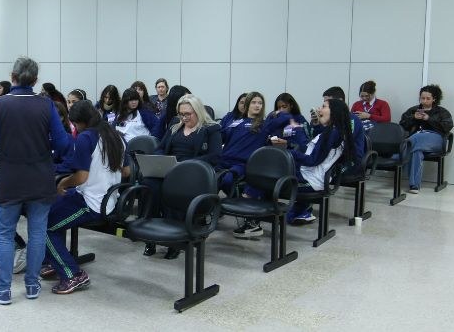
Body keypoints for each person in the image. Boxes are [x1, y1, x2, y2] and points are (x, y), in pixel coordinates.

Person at [0, 56, 71, 305]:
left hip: (10, 177)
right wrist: (44, 147)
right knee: (37, 232)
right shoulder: (47, 104)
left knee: (5, 233)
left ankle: (3, 290)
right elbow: (63, 144)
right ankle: (32, 286)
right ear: (35, 80)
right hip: (40, 177)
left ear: (12, 77)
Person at [41, 100, 129, 294]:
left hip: (92, 203)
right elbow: (127, 171)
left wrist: (63, 183)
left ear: (81, 122)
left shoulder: (85, 138)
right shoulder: (117, 136)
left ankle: (73, 274)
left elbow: (81, 177)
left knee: (43, 227)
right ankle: (55, 259)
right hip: (109, 200)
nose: (75, 128)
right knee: (53, 210)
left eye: (75, 124)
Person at [142, 94, 222, 259]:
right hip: (171, 169)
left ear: (198, 112)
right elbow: (161, 147)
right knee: (149, 184)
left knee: (173, 188)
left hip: (192, 172)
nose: (184, 117)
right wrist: (159, 160)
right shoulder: (174, 126)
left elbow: (214, 156)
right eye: (181, 114)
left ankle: (175, 241)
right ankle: (151, 234)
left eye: (188, 114)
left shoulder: (210, 129)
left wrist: (185, 164)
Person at [218, 92, 291, 238]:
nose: (257, 105)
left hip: (243, 164)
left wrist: (276, 114)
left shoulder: (265, 125)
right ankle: (209, 212)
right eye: (254, 102)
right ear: (247, 105)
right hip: (223, 160)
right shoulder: (236, 121)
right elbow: (221, 136)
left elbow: (288, 120)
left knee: (227, 180)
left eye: (260, 103)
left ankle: (247, 215)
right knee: (209, 180)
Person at [284, 99, 355, 224]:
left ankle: (258, 219)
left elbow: (312, 160)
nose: (319, 109)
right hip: (311, 175)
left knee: (268, 179)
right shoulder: (333, 131)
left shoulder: (333, 133)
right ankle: (301, 211)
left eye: (324, 106)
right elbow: (317, 148)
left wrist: (288, 153)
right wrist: (316, 125)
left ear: (334, 112)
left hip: (311, 180)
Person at [399, 84, 453, 194]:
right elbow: (402, 125)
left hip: (436, 139)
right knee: (416, 152)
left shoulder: (442, 112)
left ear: (434, 99)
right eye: (422, 98)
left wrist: (429, 119)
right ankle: (414, 185)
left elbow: (447, 127)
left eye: (428, 98)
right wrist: (413, 118)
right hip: (417, 141)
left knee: (416, 138)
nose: (424, 100)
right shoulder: (413, 110)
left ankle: (402, 150)